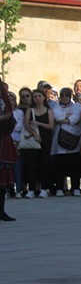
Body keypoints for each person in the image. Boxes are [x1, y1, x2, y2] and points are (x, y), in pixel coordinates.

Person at [22, 89, 55, 198]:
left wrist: (38, 123)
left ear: (44, 97)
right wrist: (35, 134)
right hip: (33, 140)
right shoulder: (30, 110)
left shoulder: (49, 111)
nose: (37, 98)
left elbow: (51, 126)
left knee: (44, 164)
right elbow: (26, 124)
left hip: (45, 140)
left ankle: (44, 188)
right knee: (32, 165)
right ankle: (31, 189)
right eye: (35, 96)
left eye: (39, 96)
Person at [51, 88, 81, 197]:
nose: (64, 97)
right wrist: (68, 118)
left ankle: (75, 188)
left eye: (67, 95)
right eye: (62, 95)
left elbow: (76, 118)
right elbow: (57, 117)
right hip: (59, 141)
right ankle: (59, 188)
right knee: (60, 166)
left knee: (74, 165)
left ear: (71, 96)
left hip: (74, 139)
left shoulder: (77, 106)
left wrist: (64, 119)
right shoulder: (56, 106)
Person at [0, 80, 18, 220]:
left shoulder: (4, 102)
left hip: (3, 139)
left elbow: (10, 119)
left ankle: (1, 211)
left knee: (2, 176)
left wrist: (6, 118)